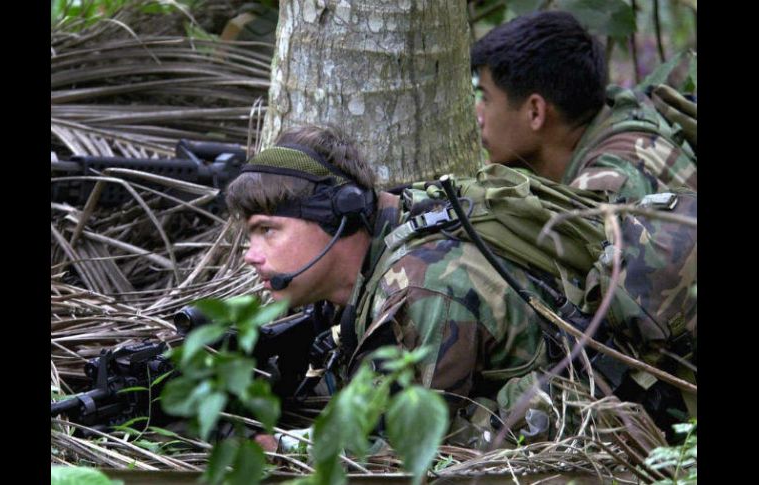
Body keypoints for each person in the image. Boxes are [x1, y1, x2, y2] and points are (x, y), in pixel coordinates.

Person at [225, 124, 558, 449]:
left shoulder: (423, 288)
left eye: (267, 230)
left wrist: (279, 447)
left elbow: (402, 452)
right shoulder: (373, 254)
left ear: (336, 215)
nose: (250, 256)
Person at [471, 10, 697, 202]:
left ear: (535, 112)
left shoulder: (604, 193)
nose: (477, 114)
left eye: (486, 98)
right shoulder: (629, 115)